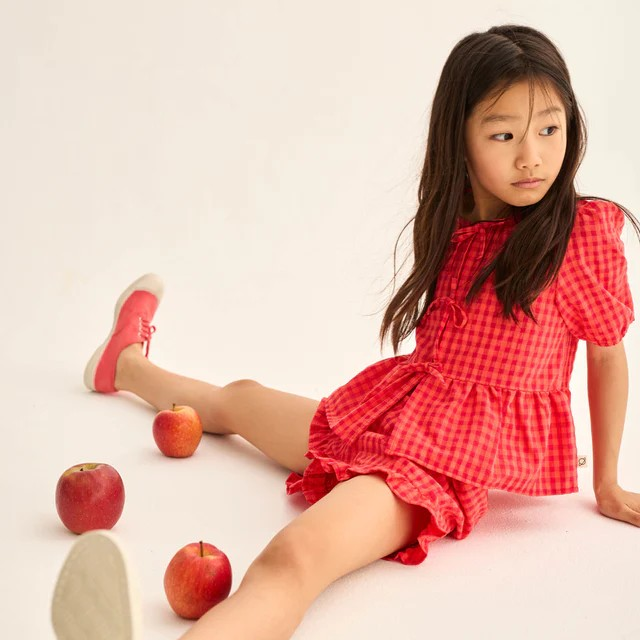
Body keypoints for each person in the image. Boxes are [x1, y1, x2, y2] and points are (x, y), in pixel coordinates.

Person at [51, 23, 640, 640]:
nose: (532, 157)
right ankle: (125, 364)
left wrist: (606, 482)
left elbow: (607, 355)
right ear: (460, 141)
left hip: (431, 470)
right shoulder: (459, 216)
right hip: (394, 416)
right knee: (242, 398)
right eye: (504, 135)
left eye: (549, 129)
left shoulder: (579, 237)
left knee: (294, 558)